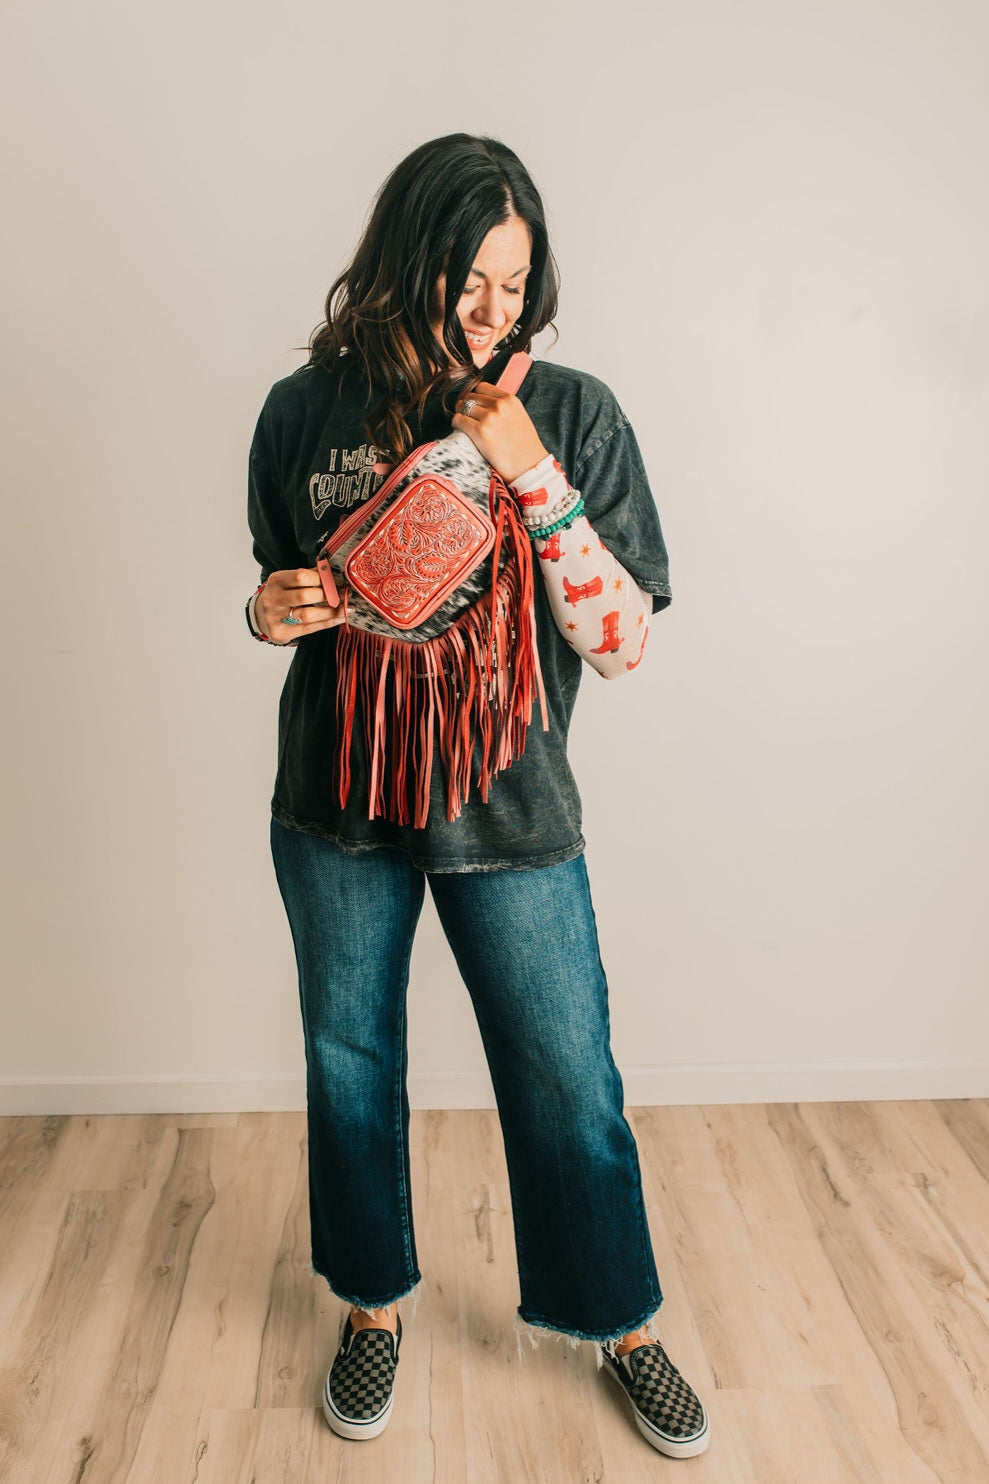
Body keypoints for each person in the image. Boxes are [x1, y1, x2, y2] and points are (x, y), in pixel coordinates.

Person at [245, 132, 711, 1459]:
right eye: (469, 282)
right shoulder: (303, 410)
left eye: (515, 283)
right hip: (335, 809)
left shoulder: (570, 409)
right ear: (409, 264)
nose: (493, 311)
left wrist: (530, 469)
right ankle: (371, 1306)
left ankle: (620, 1322)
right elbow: (277, 585)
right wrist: (269, 610)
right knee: (349, 1062)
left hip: (511, 812)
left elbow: (620, 641)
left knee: (566, 1075)